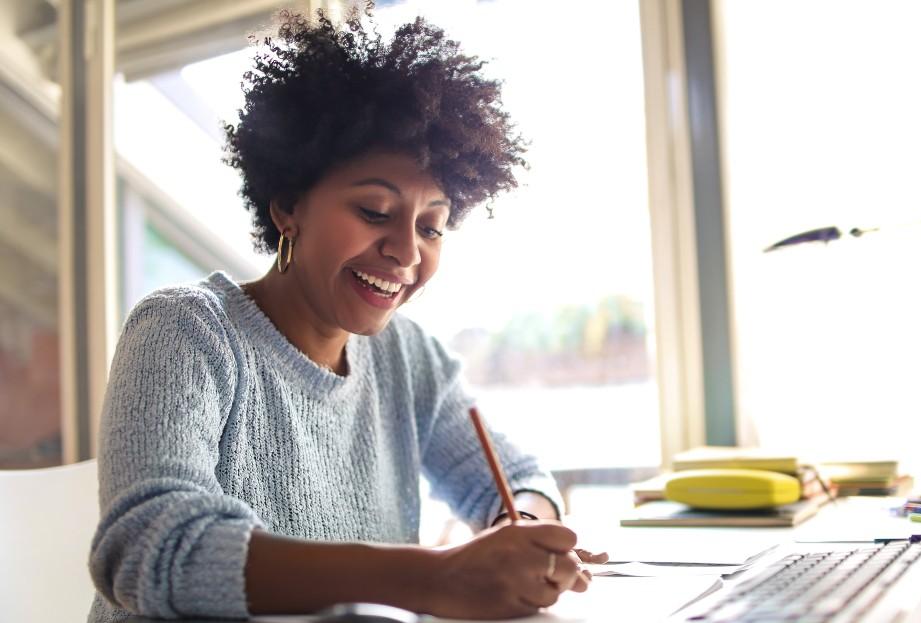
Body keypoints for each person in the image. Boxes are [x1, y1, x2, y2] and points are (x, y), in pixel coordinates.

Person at [87, 8, 607, 622]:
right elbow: (150, 551)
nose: (408, 251)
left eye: (432, 226)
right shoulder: (186, 332)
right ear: (288, 206)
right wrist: (433, 577)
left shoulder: (408, 356)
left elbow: (516, 477)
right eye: (374, 210)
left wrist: (522, 531)